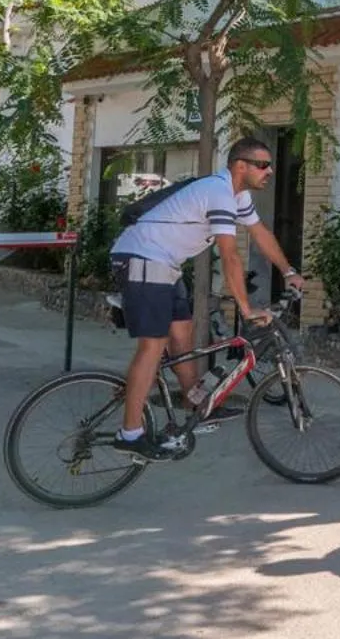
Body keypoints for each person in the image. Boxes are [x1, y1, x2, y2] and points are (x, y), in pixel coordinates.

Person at [108, 136, 303, 462]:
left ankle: (196, 403)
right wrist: (245, 307)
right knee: (153, 345)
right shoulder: (218, 192)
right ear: (240, 166)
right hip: (141, 258)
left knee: (181, 333)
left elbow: (261, 234)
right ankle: (130, 433)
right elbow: (229, 256)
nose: (269, 171)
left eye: (271, 165)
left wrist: (289, 270)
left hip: (163, 264)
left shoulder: (237, 197)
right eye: (262, 165)